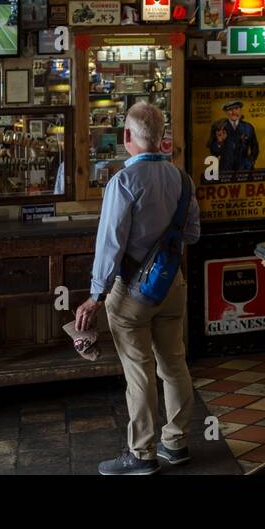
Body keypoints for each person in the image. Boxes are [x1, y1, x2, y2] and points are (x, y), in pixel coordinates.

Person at [75, 103, 200, 475]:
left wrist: (96, 295)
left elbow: (110, 244)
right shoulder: (182, 179)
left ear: (127, 136)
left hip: (131, 292)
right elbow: (191, 234)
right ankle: (175, 443)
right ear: (163, 136)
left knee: (139, 372)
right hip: (172, 286)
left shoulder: (122, 182)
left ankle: (142, 454)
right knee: (174, 364)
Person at [207, 99, 259, 173]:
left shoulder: (248, 127)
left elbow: (255, 147)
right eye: (230, 109)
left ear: (240, 110)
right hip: (225, 170)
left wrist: (250, 161)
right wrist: (219, 142)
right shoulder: (218, 127)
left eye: (236, 109)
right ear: (226, 112)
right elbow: (214, 152)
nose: (234, 112)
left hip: (244, 169)